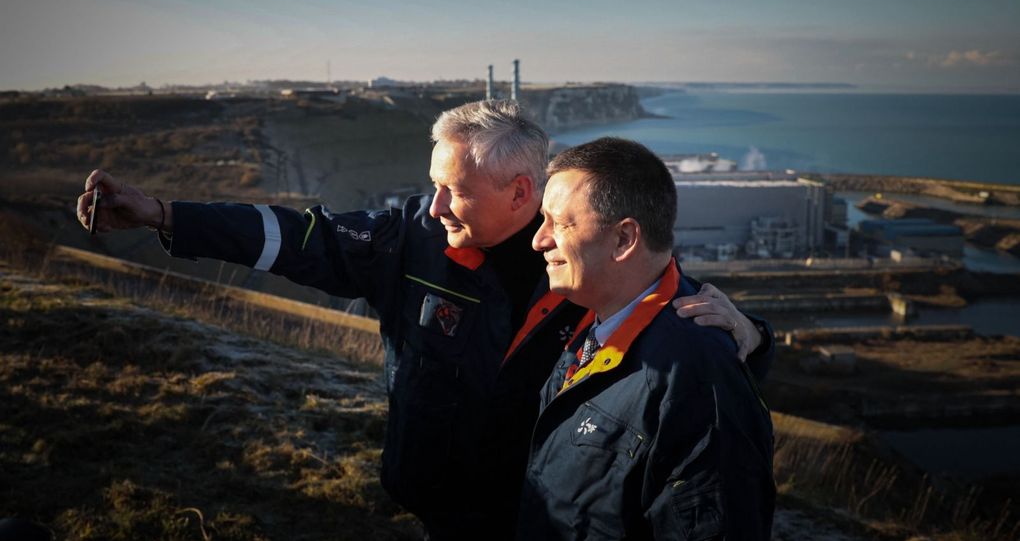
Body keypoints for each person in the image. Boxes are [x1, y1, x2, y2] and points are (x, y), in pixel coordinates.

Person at [77, 100, 772, 540]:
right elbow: (296, 236)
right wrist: (167, 215)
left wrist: (754, 338)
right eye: (432, 185)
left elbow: (675, 331)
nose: (434, 205)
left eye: (454, 190)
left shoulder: (580, 262)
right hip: (433, 502)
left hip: (528, 516)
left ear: (520, 193)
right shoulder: (407, 240)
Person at [517, 137, 775, 540]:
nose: (539, 240)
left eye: (561, 223)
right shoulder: (598, 316)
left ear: (624, 239)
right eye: (543, 220)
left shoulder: (696, 376)